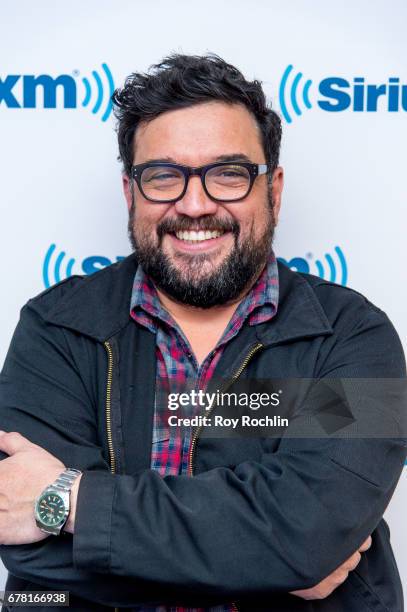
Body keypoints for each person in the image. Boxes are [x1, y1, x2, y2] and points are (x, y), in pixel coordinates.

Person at [0, 54, 405, 612]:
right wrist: (271, 560)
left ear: (274, 189)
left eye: (229, 173)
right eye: (163, 176)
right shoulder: (55, 329)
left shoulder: (352, 337)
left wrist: (69, 503)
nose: (195, 204)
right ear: (130, 192)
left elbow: (309, 532)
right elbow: (26, 542)